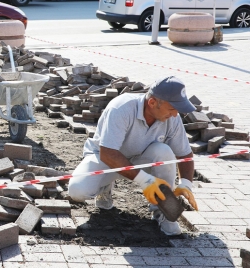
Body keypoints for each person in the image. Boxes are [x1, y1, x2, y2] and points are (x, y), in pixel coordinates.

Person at [67, 76, 198, 236]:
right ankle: (104, 187)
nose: (175, 114)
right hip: (106, 160)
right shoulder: (121, 109)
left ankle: (163, 213)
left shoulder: (172, 119)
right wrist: (146, 180)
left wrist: (185, 183)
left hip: (141, 159)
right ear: (152, 103)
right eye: (172, 109)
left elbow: (184, 154)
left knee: (164, 152)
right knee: (77, 191)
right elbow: (108, 154)